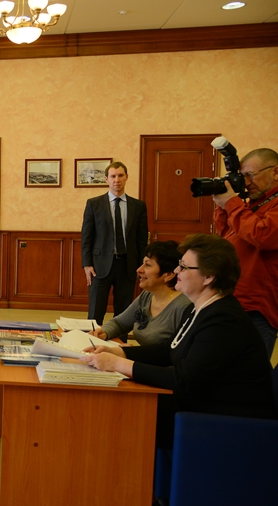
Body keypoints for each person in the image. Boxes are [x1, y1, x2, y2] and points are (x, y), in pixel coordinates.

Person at [84, 234, 276, 449]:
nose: (176, 271)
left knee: (130, 410)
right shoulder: (200, 308)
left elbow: (184, 380)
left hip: (231, 422)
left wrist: (119, 365)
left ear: (209, 277)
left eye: (184, 267)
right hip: (204, 404)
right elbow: (169, 350)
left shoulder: (224, 320)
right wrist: (119, 352)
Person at [213, 148, 278, 357]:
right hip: (232, 298)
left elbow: (263, 235)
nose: (246, 182)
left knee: (249, 370)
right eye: (243, 176)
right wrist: (223, 205)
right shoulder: (252, 204)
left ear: (275, 172)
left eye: (250, 175)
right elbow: (226, 234)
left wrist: (232, 203)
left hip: (258, 307)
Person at [81, 162, 149, 329]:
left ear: (126, 177)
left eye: (120, 175)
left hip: (127, 265)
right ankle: (92, 342)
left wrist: (143, 265)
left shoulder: (138, 206)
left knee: (124, 313)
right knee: (95, 313)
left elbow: (141, 239)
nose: (116, 179)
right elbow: (86, 237)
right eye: (113, 176)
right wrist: (87, 264)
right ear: (106, 179)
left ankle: (120, 343)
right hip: (100, 266)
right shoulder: (94, 204)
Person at [89, 240, 191, 346]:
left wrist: (131, 352)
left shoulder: (183, 306)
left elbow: (176, 351)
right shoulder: (147, 295)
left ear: (169, 275)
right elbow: (120, 323)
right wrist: (104, 332)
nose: (139, 270)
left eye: (148, 265)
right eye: (142, 263)